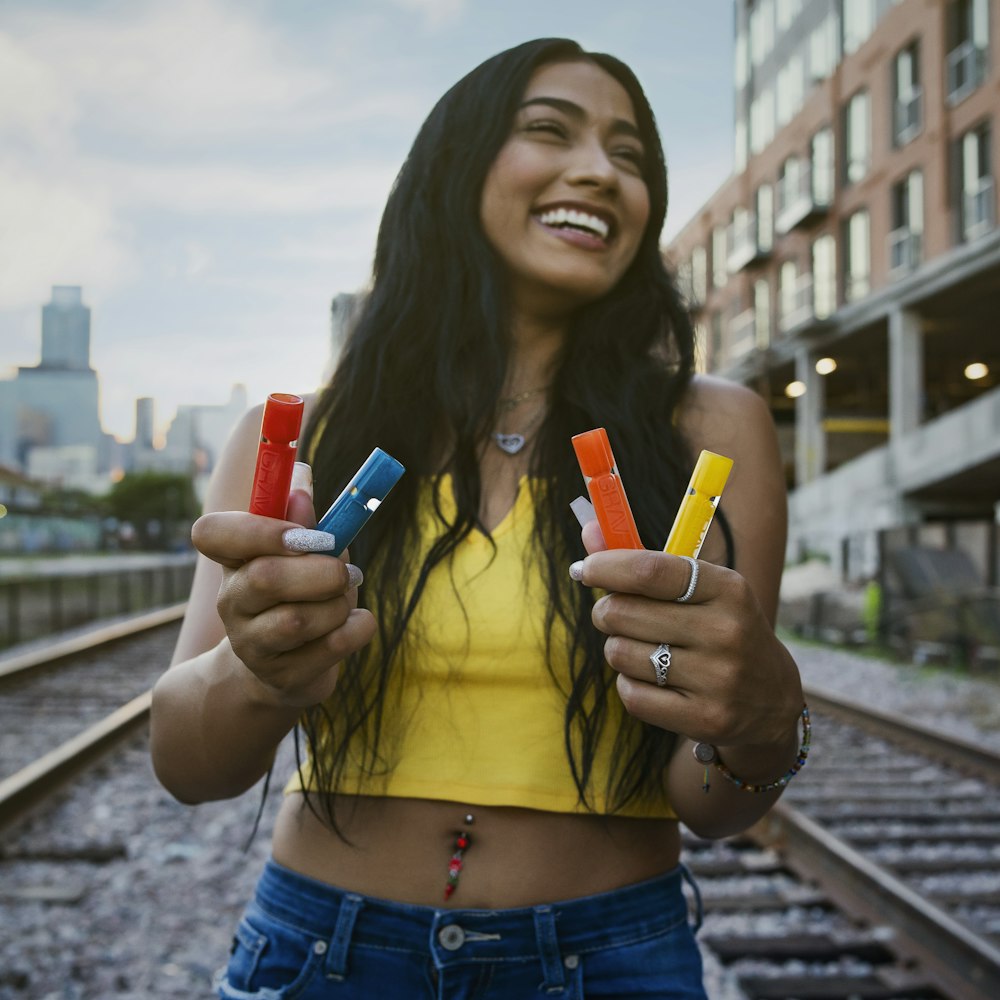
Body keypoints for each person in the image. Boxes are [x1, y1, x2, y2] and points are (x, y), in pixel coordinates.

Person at [150, 37, 807, 999]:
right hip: (322, 955)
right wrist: (260, 665)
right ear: (453, 169)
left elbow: (710, 805)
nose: (600, 171)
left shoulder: (713, 430)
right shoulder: (300, 439)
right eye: (550, 131)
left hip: (610, 958)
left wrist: (763, 719)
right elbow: (188, 763)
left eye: (631, 157)